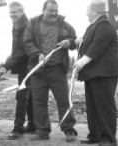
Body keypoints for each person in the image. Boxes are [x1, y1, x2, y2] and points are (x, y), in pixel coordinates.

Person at [23, 0, 78, 142]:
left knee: (64, 100)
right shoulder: (32, 24)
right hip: (38, 70)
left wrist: (70, 43)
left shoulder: (65, 25)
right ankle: (42, 132)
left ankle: (69, 130)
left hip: (58, 69)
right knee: (39, 101)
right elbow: (27, 43)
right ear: (43, 10)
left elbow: (75, 41)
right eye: (51, 10)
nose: (54, 13)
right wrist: (38, 54)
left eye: (56, 10)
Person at [72, 0, 118, 146]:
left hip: (104, 73)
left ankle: (109, 139)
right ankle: (95, 136)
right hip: (94, 73)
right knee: (93, 107)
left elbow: (96, 47)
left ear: (96, 11)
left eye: (88, 10)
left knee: (104, 107)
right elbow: (88, 43)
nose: (86, 13)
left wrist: (80, 63)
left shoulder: (104, 25)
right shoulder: (94, 26)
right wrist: (80, 41)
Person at [0, 1, 35, 140]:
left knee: (21, 96)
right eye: (10, 12)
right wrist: (7, 61)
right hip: (24, 66)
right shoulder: (17, 25)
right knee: (29, 96)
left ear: (21, 11)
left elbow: (22, 50)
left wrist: (7, 65)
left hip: (29, 66)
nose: (12, 15)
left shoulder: (26, 25)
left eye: (14, 12)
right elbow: (16, 50)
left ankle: (18, 128)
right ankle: (32, 125)